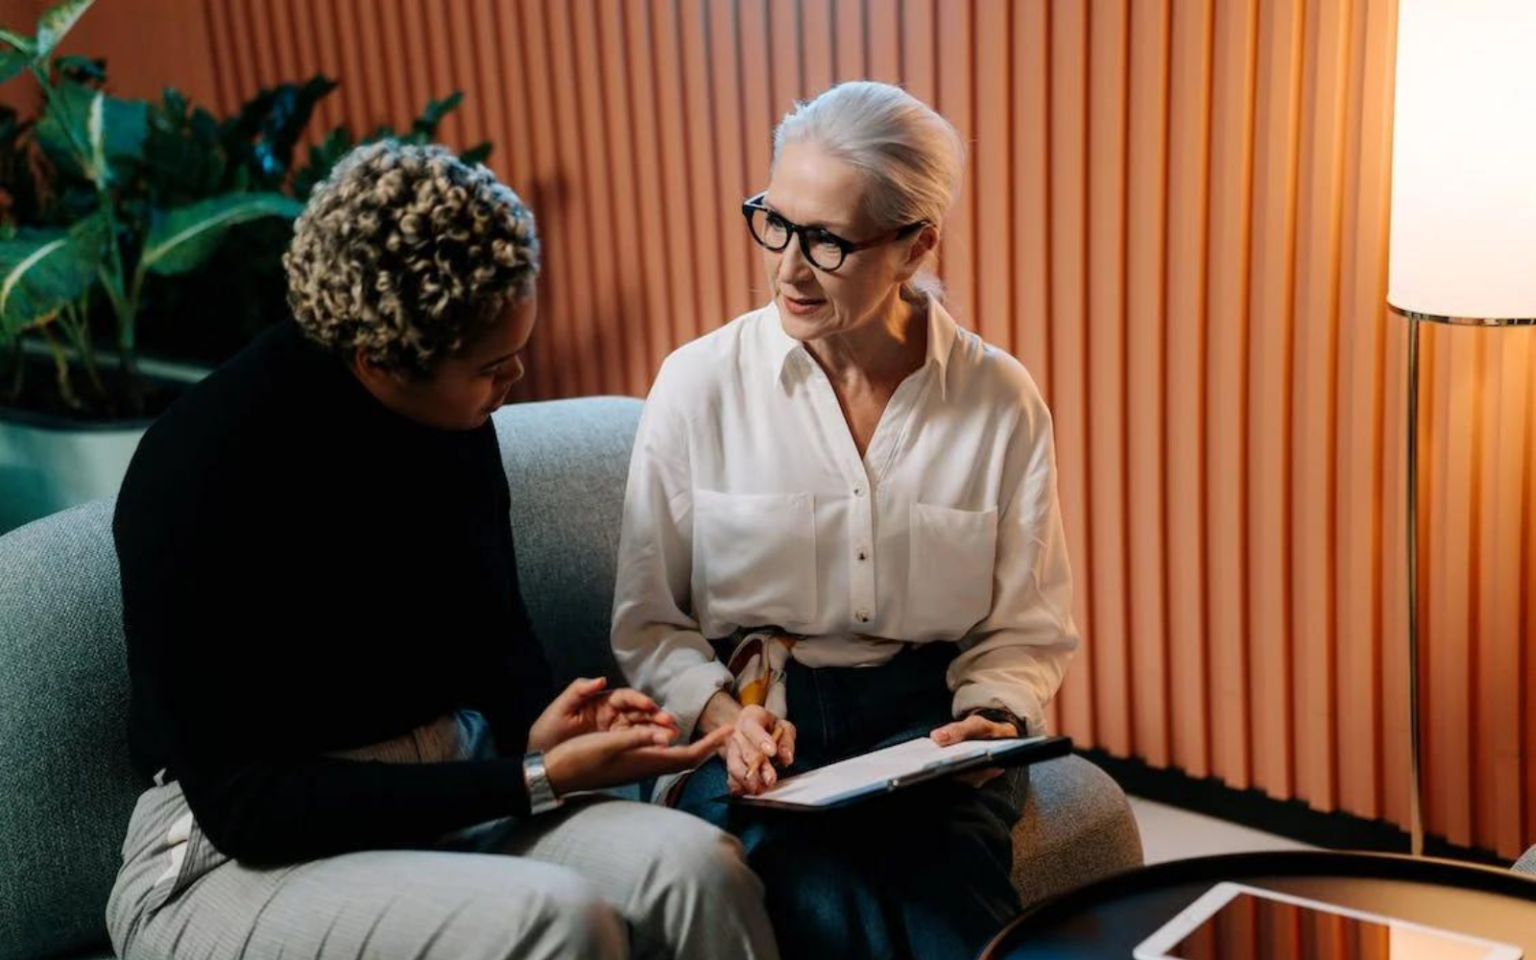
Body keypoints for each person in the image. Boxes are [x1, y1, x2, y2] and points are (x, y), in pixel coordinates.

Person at [107, 141, 779, 960]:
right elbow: (248, 804)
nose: (518, 379)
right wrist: (533, 780)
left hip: (446, 796)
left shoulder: (453, 425)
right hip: (234, 856)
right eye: (493, 367)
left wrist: (543, 722)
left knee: (697, 869)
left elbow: (493, 632)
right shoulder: (197, 472)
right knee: (555, 918)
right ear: (379, 362)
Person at [611, 81, 1080, 959]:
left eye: (827, 240)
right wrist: (723, 715)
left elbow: (1027, 625)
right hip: (755, 717)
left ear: (916, 246)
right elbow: (649, 624)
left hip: (927, 720)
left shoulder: (998, 402)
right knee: (817, 888)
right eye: (775, 222)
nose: (788, 266)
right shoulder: (698, 386)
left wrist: (994, 713)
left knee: (951, 903)